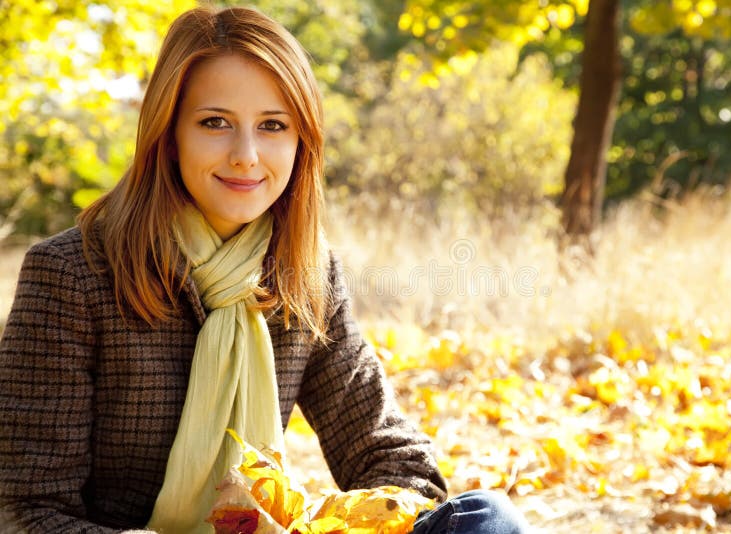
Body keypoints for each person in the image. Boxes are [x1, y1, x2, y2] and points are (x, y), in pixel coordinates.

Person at [0, 6, 530, 533]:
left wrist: (321, 525)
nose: (246, 156)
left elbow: (397, 463)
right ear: (169, 133)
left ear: (301, 144)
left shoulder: (305, 274)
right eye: (215, 123)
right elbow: (25, 510)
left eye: (273, 125)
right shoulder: (71, 275)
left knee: (488, 519)